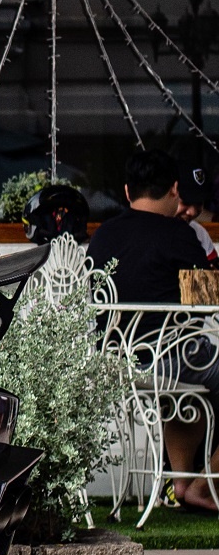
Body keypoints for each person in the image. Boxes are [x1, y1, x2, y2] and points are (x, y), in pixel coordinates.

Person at [89, 148, 219, 511]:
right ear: (176, 190)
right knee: (194, 363)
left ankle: (182, 484)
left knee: (189, 386)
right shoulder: (179, 236)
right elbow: (208, 301)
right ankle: (203, 487)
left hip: (116, 361)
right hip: (170, 358)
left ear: (128, 192)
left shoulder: (103, 236)